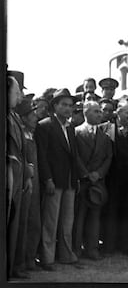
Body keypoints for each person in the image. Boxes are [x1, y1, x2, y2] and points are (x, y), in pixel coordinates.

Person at [35, 88, 82, 271]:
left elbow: (74, 156)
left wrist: (76, 178)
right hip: (54, 180)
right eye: (63, 105)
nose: (68, 109)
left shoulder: (70, 127)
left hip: (69, 180)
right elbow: (43, 156)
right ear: (54, 106)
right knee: (50, 221)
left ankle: (66, 255)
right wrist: (47, 179)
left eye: (70, 105)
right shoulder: (45, 125)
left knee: (67, 221)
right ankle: (47, 258)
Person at [100, 99, 128, 256]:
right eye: (127, 113)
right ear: (117, 113)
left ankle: (127, 246)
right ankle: (109, 246)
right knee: (111, 213)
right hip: (111, 180)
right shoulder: (104, 129)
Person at [73, 101, 113, 261]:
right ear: (85, 113)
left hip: (97, 183)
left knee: (95, 217)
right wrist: (86, 173)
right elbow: (74, 155)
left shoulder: (104, 136)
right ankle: (76, 249)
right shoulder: (76, 133)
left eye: (100, 111)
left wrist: (99, 173)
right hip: (82, 181)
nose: (99, 114)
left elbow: (108, 157)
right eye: (95, 111)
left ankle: (92, 248)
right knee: (79, 216)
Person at [7, 74, 31, 278]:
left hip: (18, 178)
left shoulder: (13, 115)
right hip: (9, 178)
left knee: (16, 225)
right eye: (16, 92)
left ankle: (13, 265)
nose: (19, 96)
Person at [15, 96, 41, 272]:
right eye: (32, 114)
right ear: (24, 117)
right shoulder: (21, 136)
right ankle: (20, 263)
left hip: (35, 186)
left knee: (33, 223)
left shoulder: (31, 134)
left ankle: (29, 259)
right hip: (25, 185)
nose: (36, 118)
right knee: (23, 224)